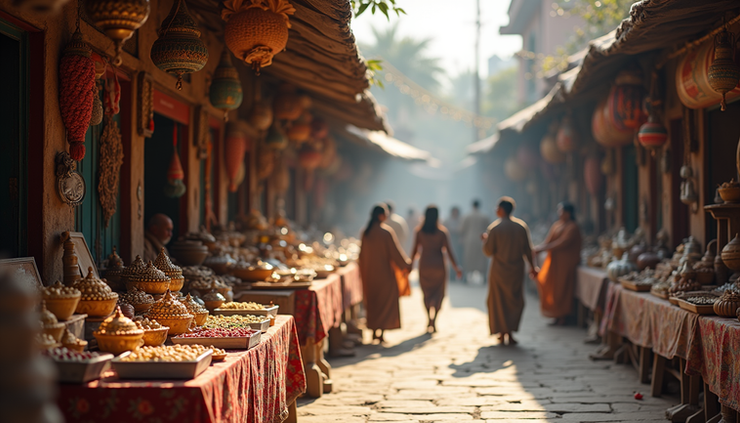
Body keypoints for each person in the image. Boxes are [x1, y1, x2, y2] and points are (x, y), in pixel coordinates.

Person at [482, 197, 538, 346]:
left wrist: (485, 240)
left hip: (498, 271)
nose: (495, 210)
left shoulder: (494, 228)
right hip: (516, 270)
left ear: (502, 210)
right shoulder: (521, 227)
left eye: (497, 207)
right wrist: (533, 267)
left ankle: (502, 332)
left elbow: (489, 251)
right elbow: (528, 249)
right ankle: (510, 332)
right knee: (514, 301)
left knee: (498, 301)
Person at [359, 204, 411, 343]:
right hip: (384, 275)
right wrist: (406, 265)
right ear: (380, 216)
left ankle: (374, 331)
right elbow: (395, 253)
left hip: (369, 275)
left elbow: (361, 256)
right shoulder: (386, 232)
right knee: (385, 303)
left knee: (373, 303)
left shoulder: (366, 232)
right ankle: (380, 332)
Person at [410, 205, 462, 333]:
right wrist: (457, 267)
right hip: (439, 266)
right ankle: (435, 320)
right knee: (439, 294)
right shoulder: (442, 232)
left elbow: (414, 251)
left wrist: (410, 265)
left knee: (426, 293)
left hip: (425, 266)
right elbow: (449, 252)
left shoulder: (419, 231)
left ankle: (429, 318)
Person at [534, 201, 583, 326]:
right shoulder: (557, 225)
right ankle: (555, 314)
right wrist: (541, 247)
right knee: (554, 289)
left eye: (562, 211)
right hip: (555, 263)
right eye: (559, 211)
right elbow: (549, 240)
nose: (559, 214)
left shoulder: (572, 227)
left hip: (566, 264)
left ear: (568, 213)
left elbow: (563, 242)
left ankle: (564, 316)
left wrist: (543, 248)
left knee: (563, 289)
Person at [461, 199, 490, 282]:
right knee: (481, 259)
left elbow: (462, 229)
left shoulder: (467, 216)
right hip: (481, 239)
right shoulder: (484, 216)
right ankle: (484, 276)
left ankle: (466, 276)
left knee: (469, 258)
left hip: (469, 239)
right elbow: (488, 229)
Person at [443, 206, 463, 281]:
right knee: (449, 257)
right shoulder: (447, 220)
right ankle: (450, 275)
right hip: (449, 239)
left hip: (457, 241)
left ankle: (457, 274)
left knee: (457, 257)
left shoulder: (461, 220)